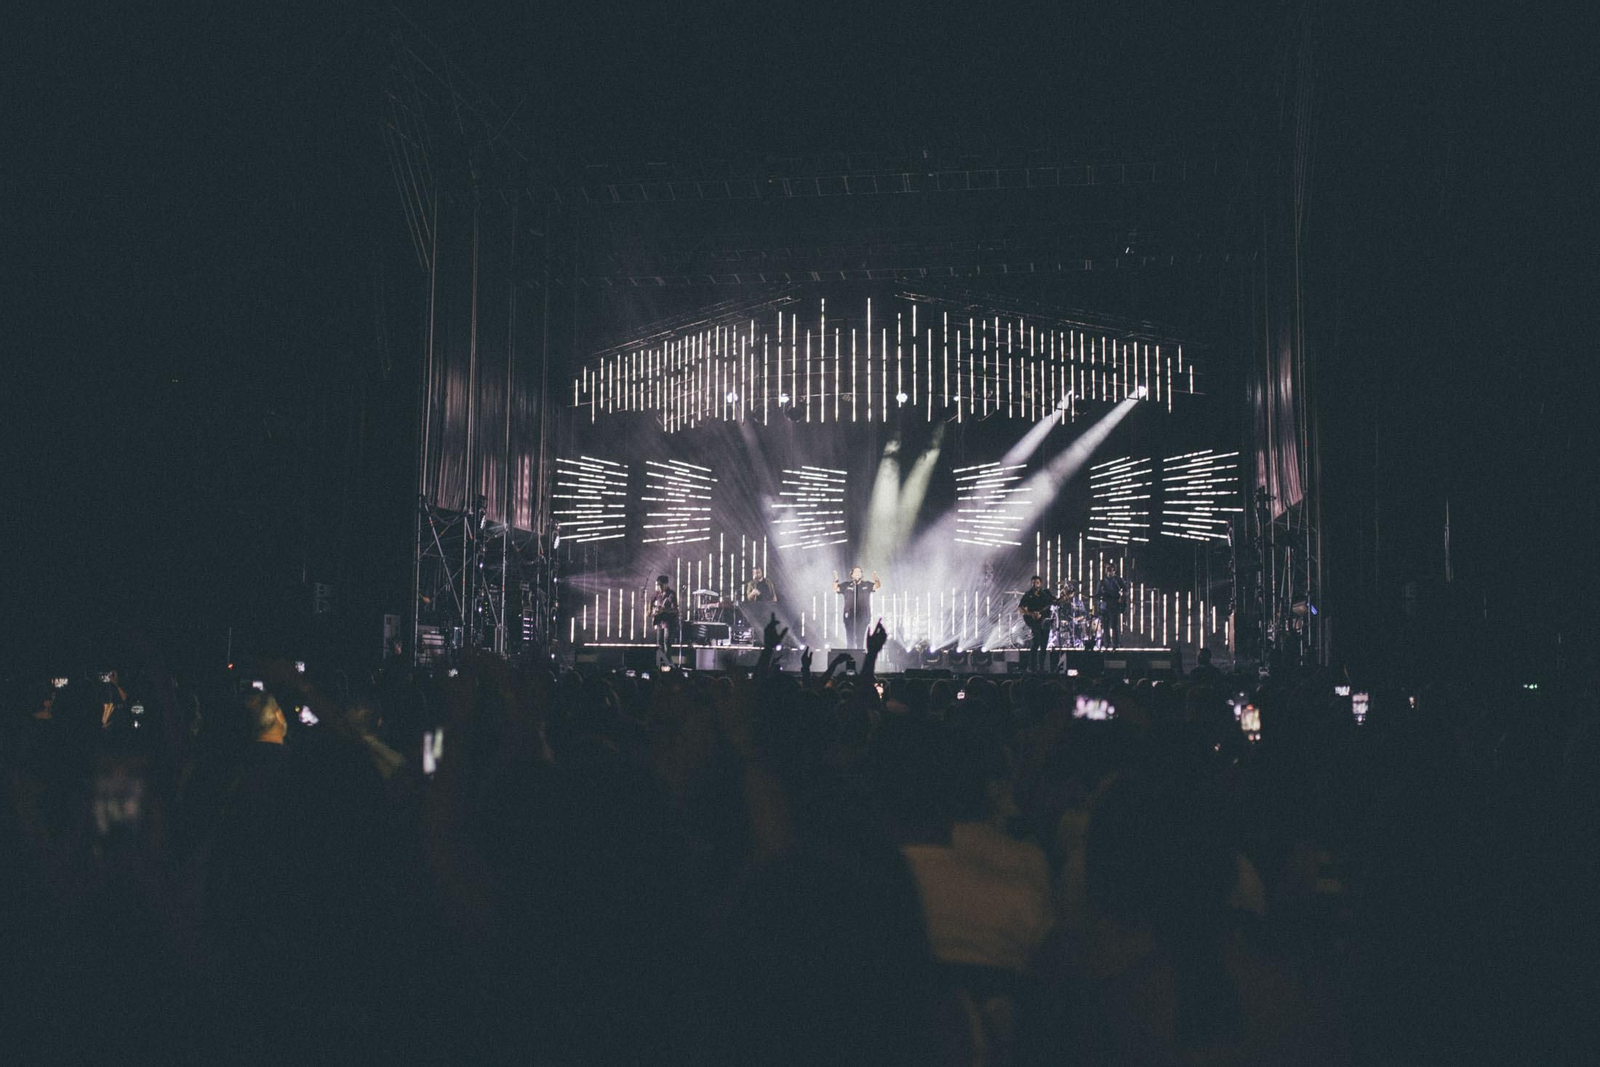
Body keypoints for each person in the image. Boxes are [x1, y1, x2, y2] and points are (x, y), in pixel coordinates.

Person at [833, 566, 881, 648]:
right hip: (849, 617)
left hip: (863, 617)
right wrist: (836, 579)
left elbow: (877, 586)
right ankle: (849, 658)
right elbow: (835, 588)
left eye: (859, 572)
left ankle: (859, 658)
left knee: (860, 639)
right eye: (855, 572)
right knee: (850, 639)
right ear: (851, 575)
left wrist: (876, 579)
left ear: (862, 574)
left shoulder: (866, 584)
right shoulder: (847, 585)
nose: (857, 573)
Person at [1019, 575, 1056, 672]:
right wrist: (1031, 614)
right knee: (1036, 642)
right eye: (1033, 583)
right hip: (1034, 622)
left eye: (1037, 582)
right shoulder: (1028, 595)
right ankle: (1032, 667)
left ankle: (1041, 667)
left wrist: (1064, 598)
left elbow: (1055, 601)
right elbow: (1021, 608)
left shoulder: (1045, 593)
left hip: (1045, 621)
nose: (1035, 584)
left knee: (1044, 645)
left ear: (1040, 583)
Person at [1095, 560, 1127, 649]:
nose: (1108, 571)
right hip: (1105, 606)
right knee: (1105, 626)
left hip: (1114, 606)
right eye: (1107, 569)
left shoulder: (1118, 580)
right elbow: (1097, 594)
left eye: (1110, 569)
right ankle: (1107, 644)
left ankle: (1115, 644)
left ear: (1114, 570)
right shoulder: (1102, 582)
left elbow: (1125, 590)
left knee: (1114, 626)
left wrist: (1121, 598)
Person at [649, 575, 680, 658]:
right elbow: (651, 600)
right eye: (657, 585)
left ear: (666, 584)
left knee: (667, 642)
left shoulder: (671, 594)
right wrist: (649, 610)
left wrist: (664, 610)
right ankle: (662, 661)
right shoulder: (657, 593)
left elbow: (675, 610)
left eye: (660, 585)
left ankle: (667, 661)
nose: (659, 587)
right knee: (659, 642)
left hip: (668, 622)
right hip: (660, 621)